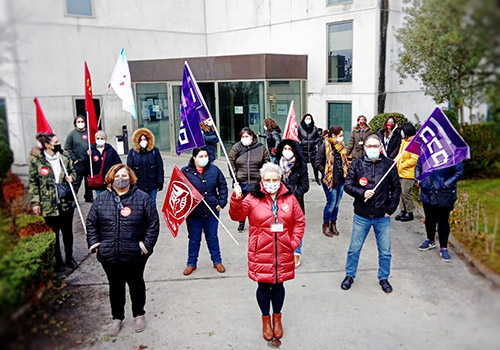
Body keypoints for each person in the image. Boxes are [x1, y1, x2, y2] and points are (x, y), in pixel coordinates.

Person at [229, 163, 305, 342]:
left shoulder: (289, 198)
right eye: (268, 180)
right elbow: (237, 215)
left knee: (279, 285)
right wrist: (237, 198)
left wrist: (293, 242)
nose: (271, 183)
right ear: (262, 180)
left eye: (275, 179)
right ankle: (266, 320)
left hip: (283, 251)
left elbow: (299, 221)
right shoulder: (252, 198)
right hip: (260, 251)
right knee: (263, 286)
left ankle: (277, 318)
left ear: (280, 180)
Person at [86, 164, 160, 336]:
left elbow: (153, 224)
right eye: (117, 175)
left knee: (136, 284)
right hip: (109, 254)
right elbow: (91, 223)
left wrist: (145, 245)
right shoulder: (101, 199)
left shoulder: (142, 198)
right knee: (115, 286)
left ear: (131, 178)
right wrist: (96, 245)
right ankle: (117, 318)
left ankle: (139, 314)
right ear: (111, 178)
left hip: (135, 254)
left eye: (125, 175)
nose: (121, 179)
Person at [341, 134, 401, 293]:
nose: (373, 149)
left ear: (381, 147)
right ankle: (349, 275)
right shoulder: (356, 164)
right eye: (370, 146)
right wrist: (362, 193)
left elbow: (396, 189)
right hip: (362, 214)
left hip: (382, 216)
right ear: (365, 148)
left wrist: (391, 209)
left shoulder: (389, 165)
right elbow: (348, 186)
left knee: (385, 251)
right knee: (354, 248)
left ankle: (384, 278)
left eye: (376, 146)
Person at [28, 132, 78, 272]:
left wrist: (72, 178)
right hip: (49, 204)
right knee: (53, 233)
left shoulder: (64, 159)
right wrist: (35, 203)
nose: (58, 144)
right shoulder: (37, 162)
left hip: (66, 203)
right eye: (55, 142)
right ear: (47, 145)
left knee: (67, 232)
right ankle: (58, 260)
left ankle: (69, 257)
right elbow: (33, 183)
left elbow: (74, 172)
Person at [181, 147, 228, 276]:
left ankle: (217, 261)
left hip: (211, 210)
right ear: (194, 157)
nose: (204, 159)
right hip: (193, 213)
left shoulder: (214, 170)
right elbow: (179, 190)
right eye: (201, 156)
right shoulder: (185, 172)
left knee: (212, 237)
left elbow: (222, 186)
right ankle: (191, 263)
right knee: (194, 238)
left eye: (205, 156)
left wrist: (221, 202)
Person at [416, 160, 464, 262]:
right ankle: (430, 239)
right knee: (429, 219)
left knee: (443, 221)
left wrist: (445, 184)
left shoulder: (452, 154)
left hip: (444, 193)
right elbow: (418, 167)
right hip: (427, 192)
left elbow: (459, 172)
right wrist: (419, 180)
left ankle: (443, 247)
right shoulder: (426, 151)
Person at [275, 139, 309, 267]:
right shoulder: (276, 164)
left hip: (296, 202)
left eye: (290, 149)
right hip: (279, 203)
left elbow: (305, 185)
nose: (287, 152)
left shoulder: (301, 165)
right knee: (280, 228)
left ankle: (296, 252)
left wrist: (293, 195)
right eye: (285, 149)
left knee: (296, 228)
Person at [228, 127, 270, 232]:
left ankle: (255, 223)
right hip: (241, 181)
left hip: (256, 181)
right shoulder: (237, 147)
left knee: (256, 204)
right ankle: (241, 223)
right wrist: (235, 175)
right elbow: (231, 161)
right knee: (241, 204)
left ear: (252, 136)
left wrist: (264, 176)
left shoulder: (261, 148)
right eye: (242, 136)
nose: (244, 138)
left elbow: (267, 162)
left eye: (246, 136)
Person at [315, 126, 349, 237]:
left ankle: (333, 224)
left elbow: (344, 161)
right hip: (330, 180)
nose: (342, 138)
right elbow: (317, 163)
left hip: (341, 179)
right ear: (333, 135)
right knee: (331, 203)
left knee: (337, 204)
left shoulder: (341, 146)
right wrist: (327, 172)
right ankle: (326, 224)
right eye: (340, 135)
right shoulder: (324, 146)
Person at [127, 128, 164, 203]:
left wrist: (160, 181)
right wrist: (131, 183)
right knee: (140, 204)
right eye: (141, 140)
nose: (143, 141)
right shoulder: (132, 153)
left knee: (152, 202)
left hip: (152, 184)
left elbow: (160, 167)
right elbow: (129, 170)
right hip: (138, 185)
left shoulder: (154, 151)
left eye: (145, 139)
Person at [64, 115, 94, 202]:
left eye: (82, 121)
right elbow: (67, 148)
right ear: (75, 123)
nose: (80, 123)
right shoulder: (72, 134)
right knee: (77, 181)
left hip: (89, 161)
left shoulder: (89, 133)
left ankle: (88, 197)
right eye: (78, 122)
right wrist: (74, 159)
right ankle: (73, 198)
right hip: (78, 162)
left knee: (89, 181)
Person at [84, 130, 122, 197]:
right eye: (98, 138)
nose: (100, 140)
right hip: (98, 181)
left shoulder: (110, 150)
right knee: (100, 198)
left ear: (105, 139)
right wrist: (87, 155)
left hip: (109, 180)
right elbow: (86, 164)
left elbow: (118, 163)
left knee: (111, 197)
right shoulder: (91, 150)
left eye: (102, 138)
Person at [395, 123, 419, 222]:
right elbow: (400, 155)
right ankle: (403, 210)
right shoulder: (404, 141)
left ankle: (410, 212)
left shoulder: (414, 143)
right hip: (400, 172)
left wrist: (402, 165)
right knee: (401, 192)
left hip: (409, 173)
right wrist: (394, 163)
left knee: (406, 192)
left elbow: (414, 159)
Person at [298, 113, 322, 185]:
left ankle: (317, 179)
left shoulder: (314, 128)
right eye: (307, 119)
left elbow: (318, 137)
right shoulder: (300, 128)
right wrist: (300, 142)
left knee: (315, 167)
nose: (308, 120)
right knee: (304, 167)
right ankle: (304, 180)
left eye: (309, 119)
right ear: (304, 120)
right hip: (303, 150)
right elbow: (297, 137)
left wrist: (315, 141)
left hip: (312, 151)